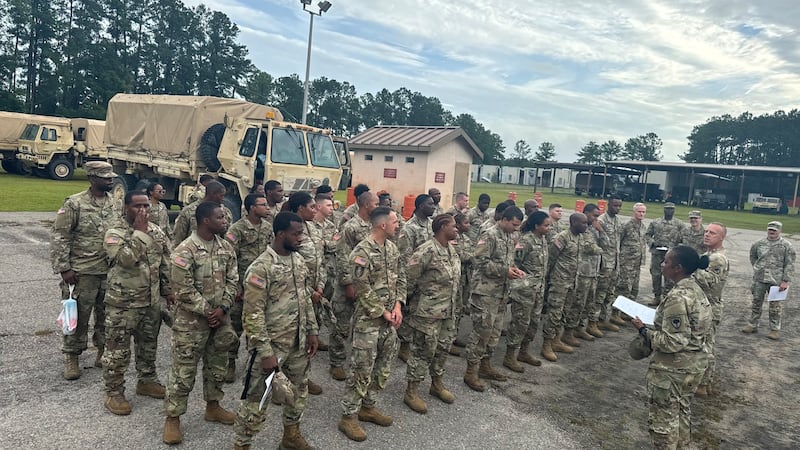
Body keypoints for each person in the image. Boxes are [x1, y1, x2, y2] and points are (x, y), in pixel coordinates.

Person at [232, 212, 319, 450]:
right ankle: (242, 444)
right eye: (296, 233)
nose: (300, 237)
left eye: (302, 232)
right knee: (257, 399)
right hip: (272, 347)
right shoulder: (261, 269)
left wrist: (312, 331)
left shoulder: (297, 261)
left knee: (298, 392)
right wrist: (265, 352)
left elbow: (305, 299)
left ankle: (291, 437)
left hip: (298, 343)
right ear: (281, 234)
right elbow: (252, 315)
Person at [163, 202, 239, 445]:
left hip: (220, 320)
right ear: (206, 220)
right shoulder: (185, 250)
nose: (225, 221)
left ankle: (213, 406)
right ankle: (173, 418)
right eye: (220, 217)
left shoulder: (226, 248)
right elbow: (183, 289)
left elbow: (233, 280)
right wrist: (209, 311)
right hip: (191, 323)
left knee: (217, 366)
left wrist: (223, 308)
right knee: (183, 372)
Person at [631, 245, 712, 449]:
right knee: (681, 413)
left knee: (663, 424)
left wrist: (643, 331)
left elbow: (673, 342)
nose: (662, 264)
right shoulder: (695, 289)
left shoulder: (678, 297)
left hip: (673, 370)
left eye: (666, 261)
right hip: (694, 366)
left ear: (678, 268)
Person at [338, 207, 405, 442]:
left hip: (389, 321)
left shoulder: (392, 249)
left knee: (383, 366)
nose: (399, 225)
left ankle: (368, 406)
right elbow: (361, 288)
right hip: (369, 321)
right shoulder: (362, 252)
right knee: (361, 369)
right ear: (383, 225)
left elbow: (401, 278)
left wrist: (397, 306)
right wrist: (383, 312)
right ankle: (348, 416)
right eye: (396, 221)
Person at [101, 190, 172, 415]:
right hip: (122, 304)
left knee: (148, 345)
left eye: (146, 207)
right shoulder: (115, 233)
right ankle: (114, 392)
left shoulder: (157, 232)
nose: (143, 211)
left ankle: (147, 380)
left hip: (150, 303)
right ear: (125, 208)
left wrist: (169, 290)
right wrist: (140, 233)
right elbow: (125, 260)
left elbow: (165, 263)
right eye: (137, 207)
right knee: (117, 351)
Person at [51, 161, 121, 380]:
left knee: (106, 315)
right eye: (105, 178)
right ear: (92, 178)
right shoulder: (74, 204)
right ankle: (72, 356)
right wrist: (64, 268)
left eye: (111, 177)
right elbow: (60, 236)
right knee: (79, 316)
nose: (110, 181)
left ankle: (102, 351)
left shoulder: (115, 203)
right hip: (82, 271)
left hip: (108, 270)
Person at [403, 214, 461, 413]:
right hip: (427, 313)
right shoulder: (426, 250)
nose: (457, 229)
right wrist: (407, 305)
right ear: (443, 227)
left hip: (448, 311)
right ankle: (412, 391)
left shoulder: (451, 249)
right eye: (454, 226)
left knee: (443, 349)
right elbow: (408, 279)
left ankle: (436, 384)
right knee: (422, 351)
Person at [462, 207, 525, 392]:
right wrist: (505, 271)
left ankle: (485, 365)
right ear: (503, 219)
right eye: (513, 224)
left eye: (518, 226)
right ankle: (471, 372)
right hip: (485, 292)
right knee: (482, 332)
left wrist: (513, 270)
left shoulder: (509, 236)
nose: (516, 228)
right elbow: (479, 261)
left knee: (495, 332)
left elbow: (506, 261)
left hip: (500, 292)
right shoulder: (489, 235)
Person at [329, 191, 379, 381]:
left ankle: (358, 360)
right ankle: (336, 362)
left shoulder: (374, 226)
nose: (378, 206)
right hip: (348, 284)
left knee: (362, 323)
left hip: (366, 284)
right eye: (375, 203)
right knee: (341, 324)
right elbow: (342, 256)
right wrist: (348, 284)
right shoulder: (351, 227)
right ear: (366, 205)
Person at [223, 193, 273, 383]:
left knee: (259, 327)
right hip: (242, 287)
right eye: (262, 205)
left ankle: (255, 365)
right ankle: (229, 362)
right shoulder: (237, 229)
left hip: (261, 287)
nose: (267, 208)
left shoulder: (268, 228)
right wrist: (236, 287)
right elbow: (229, 259)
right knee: (235, 327)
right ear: (252, 207)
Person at [541, 213, 602, 362]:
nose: (586, 226)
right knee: (554, 313)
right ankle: (546, 344)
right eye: (583, 223)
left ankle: (556, 340)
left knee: (564, 312)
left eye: (587, 223)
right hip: (560, 282)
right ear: (573, 222)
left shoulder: (580, 238)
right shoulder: (562, 237)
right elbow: (551, 258)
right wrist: (548, 278)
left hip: (573, 282)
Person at [287, 191, 326, 396]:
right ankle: (279, 384)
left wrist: (319, 286)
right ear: (299, 208)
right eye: (311, 207)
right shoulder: (288, 230)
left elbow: (321, 260)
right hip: (296, 294)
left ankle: (303, 377)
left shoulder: (314, 228)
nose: (315, 209)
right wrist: (309, 291)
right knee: (289, 341)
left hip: (315, 294)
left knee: (307, 339)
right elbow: (286, 267)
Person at [504, 210, 550, 372]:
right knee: (520, 323)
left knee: (533, 323)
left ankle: (524, 352)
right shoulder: (526, 241)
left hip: (538, 290)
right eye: (546, 225)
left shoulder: (542, 240)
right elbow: (514, 263)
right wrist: (523, 281)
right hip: (524, 291)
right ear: (536, 226)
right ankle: (510, 356)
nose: (548, 228)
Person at [742, 221, 796, 340]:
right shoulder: (759, 243)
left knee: (775, 306)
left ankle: (774, 329)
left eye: (774, 230)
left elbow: (790, 264)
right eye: (770, 229)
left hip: (776, 281)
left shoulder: (786, 246)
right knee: (756, 302)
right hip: (760, 279)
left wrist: (785, 281)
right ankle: (753, 324)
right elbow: (753, 256)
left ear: (780, 231)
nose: (771, 232)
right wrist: (757, 268)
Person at [397, 193, 435, 362]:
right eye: (430, 204)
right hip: (414, 277)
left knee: (421, 311)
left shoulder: (432, 225)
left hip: (428, 278)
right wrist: (410, 283)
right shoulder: (409, 228)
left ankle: (415, 343)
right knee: (408, 312)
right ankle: (403, 346)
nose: (433, 207)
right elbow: (405, 257)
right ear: (420, 206)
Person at [693, 222, 729, 396]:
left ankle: (703, 384)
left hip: (709, 307)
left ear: (722, 237)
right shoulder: (709, 254)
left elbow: (710, 281)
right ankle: (700, 381)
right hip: (701, 304)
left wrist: (690, 267)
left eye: (712, 233)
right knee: (700, 344)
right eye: (706, 231)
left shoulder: (718, 258)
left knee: (705, 346)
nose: (707, 234)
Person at [563, 204, 607, 347]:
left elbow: (606, 245)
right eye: (594, 215)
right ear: (586, 213)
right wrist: (599, 248)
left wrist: (601, 232)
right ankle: (568, 332)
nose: (596, 219)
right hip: (582, 272)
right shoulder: (580, 229)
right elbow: (591, 248)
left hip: (593, 272)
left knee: (588, 303)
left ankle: (580, 328)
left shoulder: (594, 229)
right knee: (577, 303)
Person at [590, 195, 622, 337]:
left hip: (614, 262)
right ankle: (593, 322)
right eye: (615, 205)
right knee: (600, 293)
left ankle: (603, 319)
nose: (618, 208)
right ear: (608, 205)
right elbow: (598, 242)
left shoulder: (617, 220)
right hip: (605, 263)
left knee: (610, 292)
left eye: (619, 206)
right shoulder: (601, 220)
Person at [645, 202, 687, 306]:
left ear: (674, 210)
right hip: (657, 253)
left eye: (671, 209)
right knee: (655, 275)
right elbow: (647, 235)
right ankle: (657, 296)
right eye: (667, 209)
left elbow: (684, 238)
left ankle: (668, 297)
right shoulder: (656, 222)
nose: (669, 211)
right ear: (664, 210)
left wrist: (677, 248)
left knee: (670, 276)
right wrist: (652, 243)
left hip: (672, 255)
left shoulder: (679, 224)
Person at [613, 203, 648, 323]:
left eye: (643, 212)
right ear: (634, 212)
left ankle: (626, 312)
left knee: (634, 289)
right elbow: (619, 241)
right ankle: (615, 314)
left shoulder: (643, 227)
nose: (641, 214)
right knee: (622, 288)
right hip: (626, 262)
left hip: (637, 263)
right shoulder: (626, 225)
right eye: (639, 211)